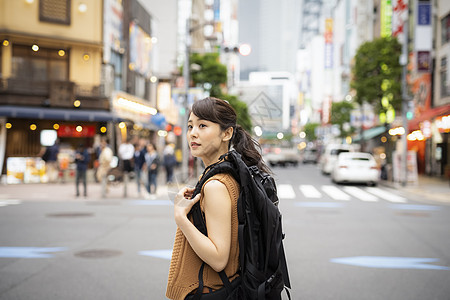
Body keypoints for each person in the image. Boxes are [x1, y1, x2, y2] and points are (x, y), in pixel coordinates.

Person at [166, 97, 271, 299]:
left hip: (211, 291)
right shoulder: (228, 174)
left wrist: (180, 217)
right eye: (190, 126)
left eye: (202, 125)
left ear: (227, 133)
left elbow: (218, 258)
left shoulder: (216, 185)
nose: (193, 133)